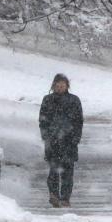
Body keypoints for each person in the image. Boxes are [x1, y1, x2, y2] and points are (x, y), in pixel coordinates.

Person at [38, 73, 83, 208]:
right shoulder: (47, 100)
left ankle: (65, 198)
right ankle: (54, 195)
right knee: (53, 170)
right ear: (53, 86)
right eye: (57, 86)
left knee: (68, 172)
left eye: (62, 86)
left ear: (67, 86)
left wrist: (75, 138)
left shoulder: (74, 100)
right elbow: (42, 120)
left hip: (69, 142)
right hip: (53, 141)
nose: (59, 88)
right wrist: (46, 136)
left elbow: (79, 121)